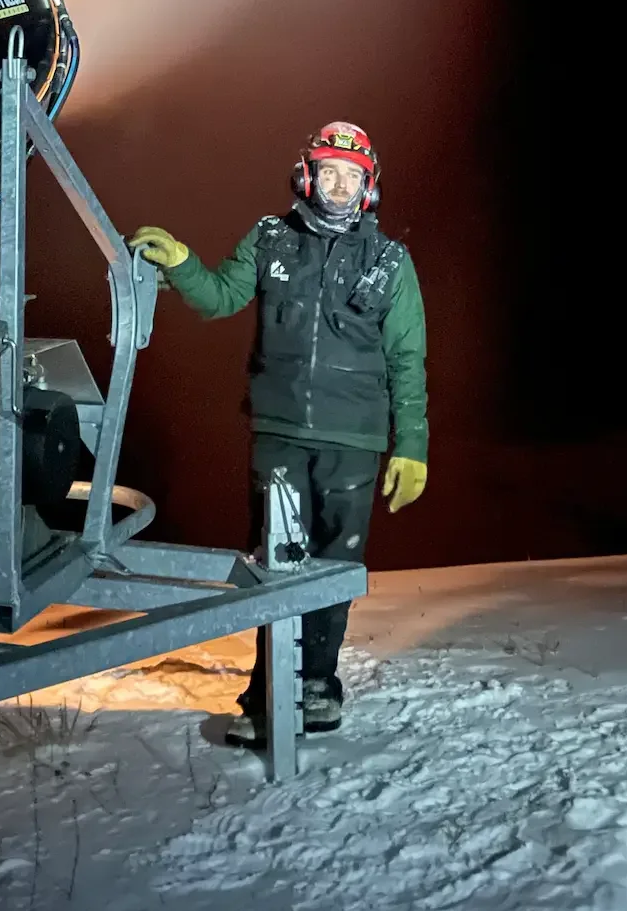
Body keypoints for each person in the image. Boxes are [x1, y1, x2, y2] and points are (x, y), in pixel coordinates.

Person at [130, 120, 427, 744]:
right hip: (280, 433)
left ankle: (317, 685)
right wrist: (184, 263)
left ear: (368, 185)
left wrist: (412, 447)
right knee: (276, 562)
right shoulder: (270, 239)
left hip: (357, 439)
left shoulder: (392, 262)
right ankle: (269, 691)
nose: (338, 184)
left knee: (333, 566)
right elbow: (217, 297)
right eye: (328, 171)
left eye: (351, 175)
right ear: (307, 176)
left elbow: (407, 360)